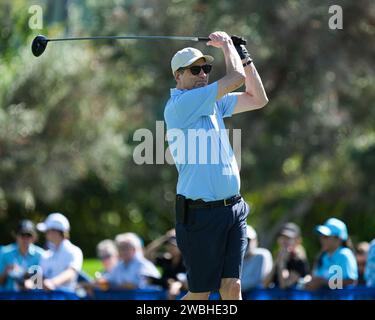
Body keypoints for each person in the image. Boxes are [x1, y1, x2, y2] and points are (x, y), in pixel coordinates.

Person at [164, 31, 268, 300]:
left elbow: (258, 98)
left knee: (232, 287)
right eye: (195, 70)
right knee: (199, 296)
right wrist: (226, 46)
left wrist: (243, 54)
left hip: (233, 209)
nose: (203, 74)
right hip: (200, 215)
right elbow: (235, 79)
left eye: (206, 68)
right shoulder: (180, 104)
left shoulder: (212, 104)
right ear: (178, 76)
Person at [28, 213, 83, 292]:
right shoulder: (46, 254)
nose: (45, 234)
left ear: (56, 231)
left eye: (47, 231)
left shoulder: (74, 251)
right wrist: (31, 283)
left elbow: (71, 273)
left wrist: (53, 283)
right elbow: (41, 277)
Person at [304, 218, 358, 290]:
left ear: (339, 239)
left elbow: (351, 281)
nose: (321, 239)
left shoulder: (344, 255)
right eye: (321, 236)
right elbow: (315, 277)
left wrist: (323, 282)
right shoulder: (323, 256)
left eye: (326, 236)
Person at [0, 220, 44, 291]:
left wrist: (32, 282)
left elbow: (46, 280)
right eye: (22, 235)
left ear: (34, 237)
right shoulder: (5, 252)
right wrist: (6, 271)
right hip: (9, 297)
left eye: (29, 235)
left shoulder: (41, 254)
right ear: (16, 235)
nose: (25, 239)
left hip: (33, 297)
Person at [144, 229, 187, 299]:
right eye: (169, 245)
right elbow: (147, 253)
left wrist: (176, 285)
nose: (170, 248)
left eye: (174, 245)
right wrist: (165, 237)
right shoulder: (165, 260)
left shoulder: (187, 262)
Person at [263, 222, 309, 289]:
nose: (284, 241)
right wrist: (277, 262)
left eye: (288, 238)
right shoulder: (278, 256)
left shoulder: (299, 261)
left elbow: (284, 286)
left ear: (297, 241)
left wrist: (281, 264)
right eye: (282, 237)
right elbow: (265, 284)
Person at [241, 225, 273, 292]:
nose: (245, 243)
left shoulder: (262, 255)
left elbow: (259, 280)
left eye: (248, 240)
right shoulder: (234, 257)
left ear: (255, 241)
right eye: (243, 240)